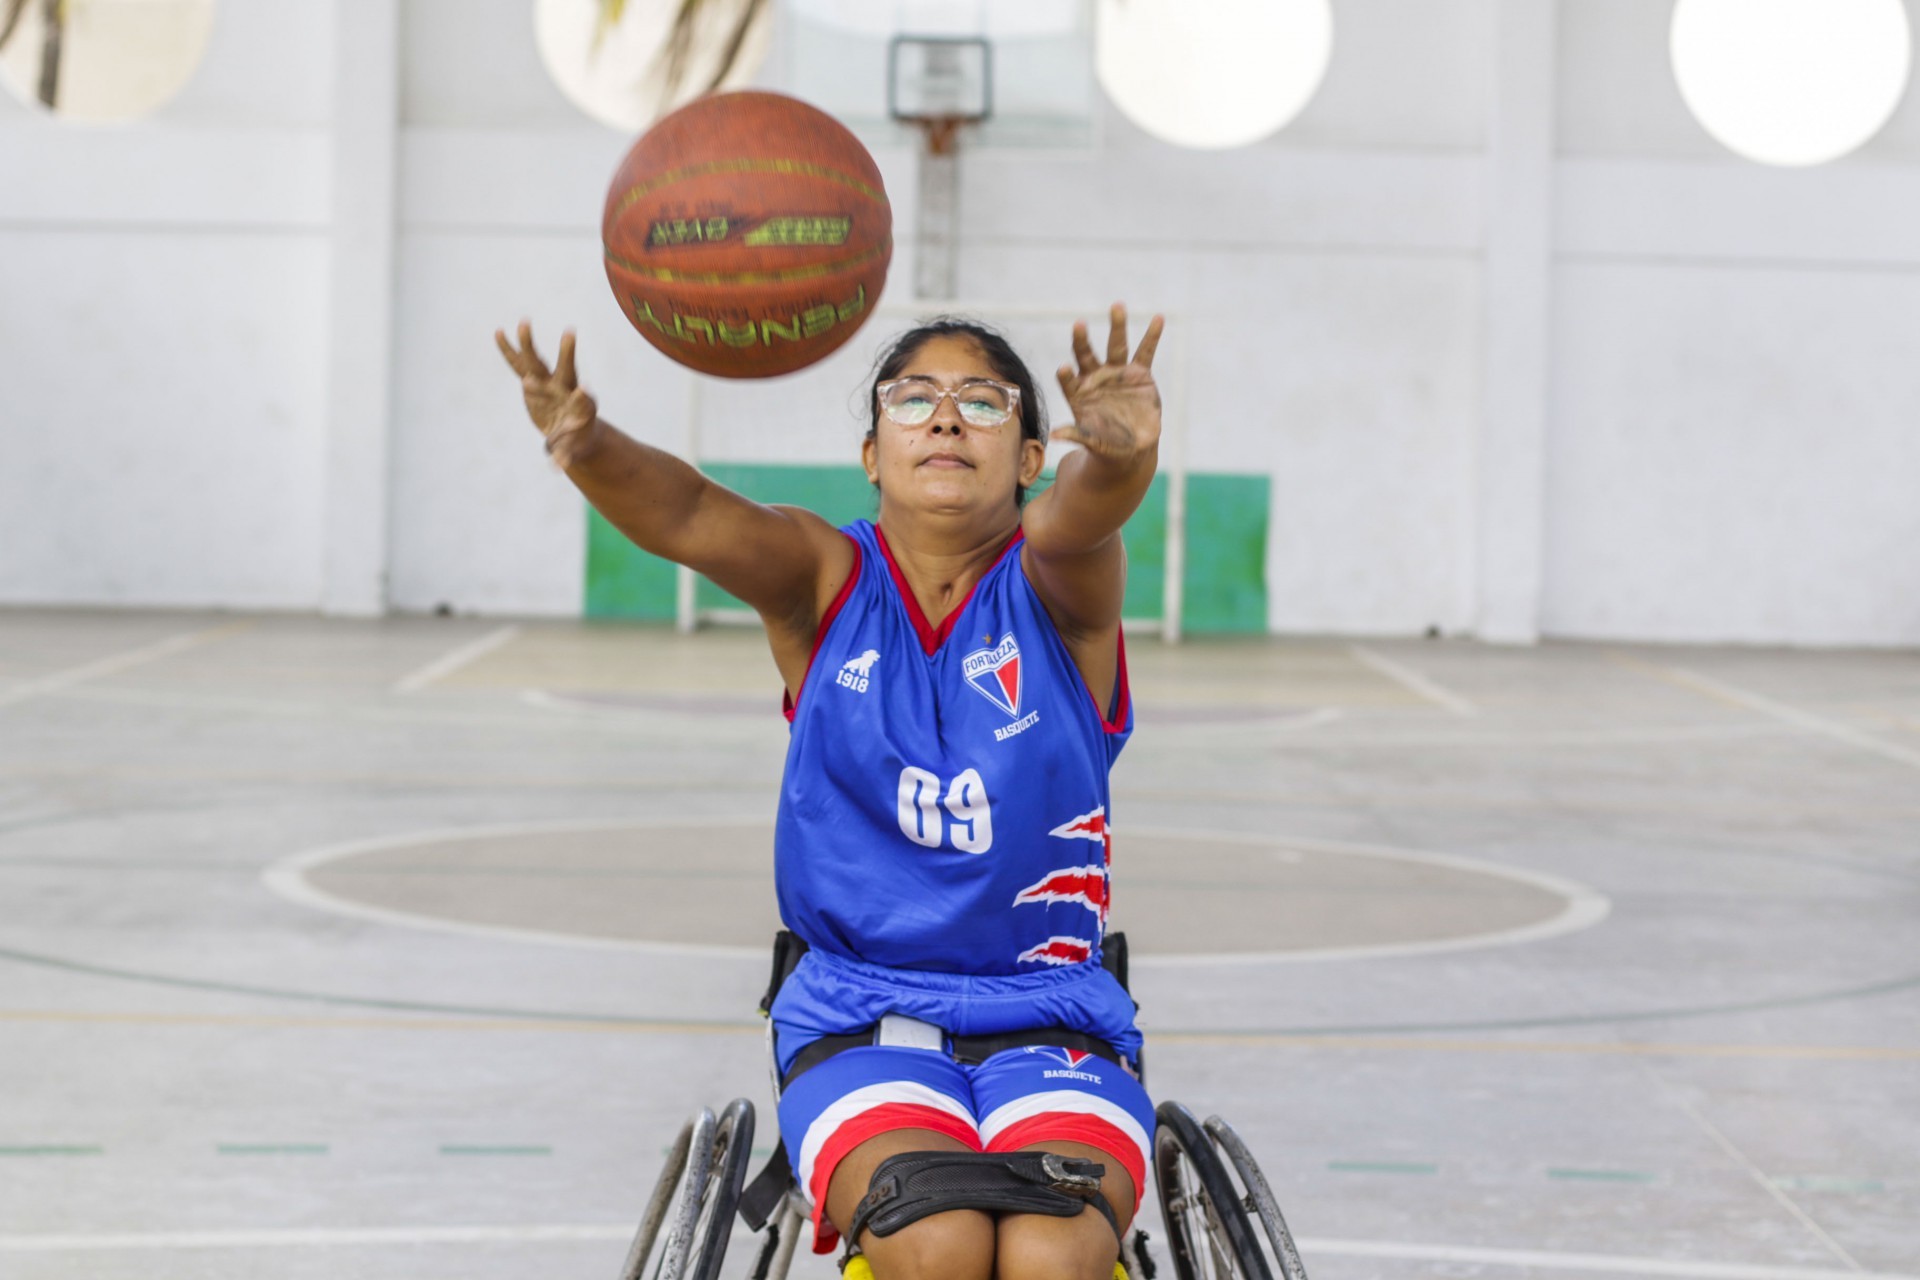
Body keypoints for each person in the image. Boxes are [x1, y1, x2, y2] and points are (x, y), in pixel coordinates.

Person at [496, 305, 1165, 1280]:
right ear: (870, 451)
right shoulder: (824, 578)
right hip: (860, 1011)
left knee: (1050, 1255)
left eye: (982, 401)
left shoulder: (1060, 589)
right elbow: (689, 514)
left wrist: (1117, 462)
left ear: (1029, 457)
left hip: (1052, 1013)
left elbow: (1081, 519)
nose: (945, 419)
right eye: (914, 398)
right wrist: (588, 444)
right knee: (937, 1246)